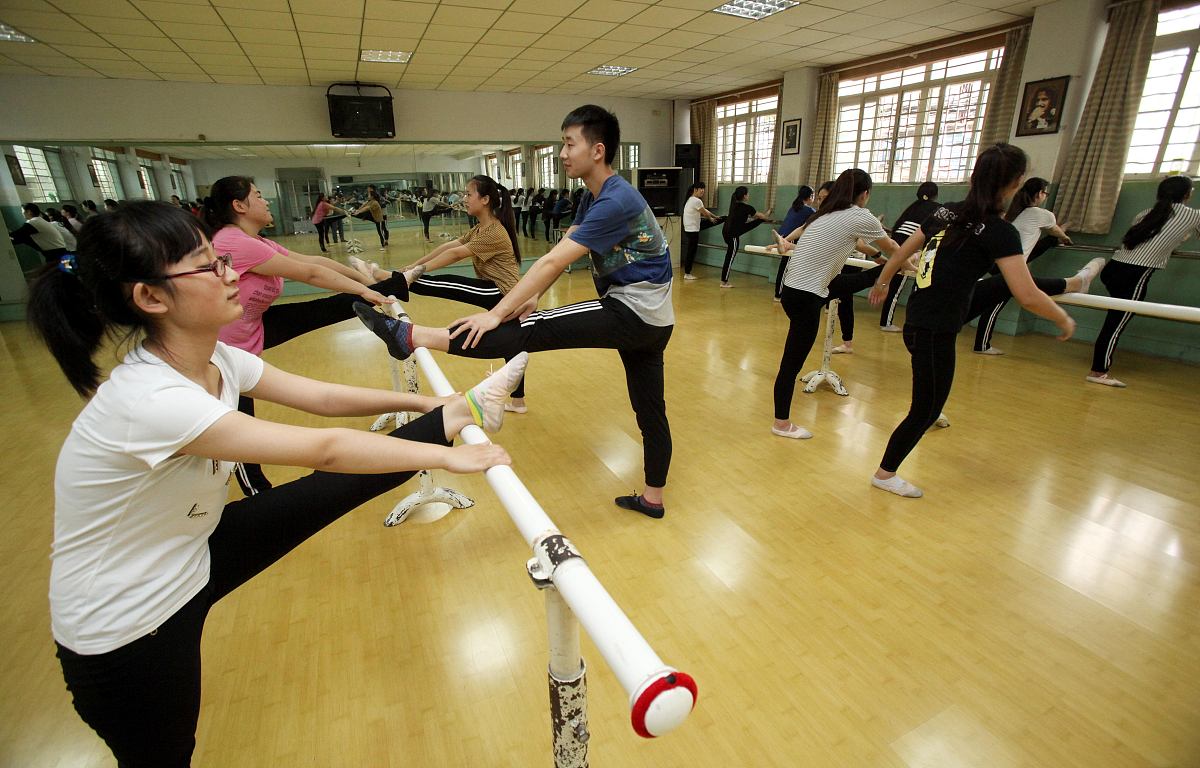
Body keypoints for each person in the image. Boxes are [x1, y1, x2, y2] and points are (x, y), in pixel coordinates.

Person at [26, 200, 519, 768]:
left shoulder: (216, 361)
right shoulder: (151, 401)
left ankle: (462, 413)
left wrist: (428, 401)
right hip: (128, 623)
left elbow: (323, 398)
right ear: (152, 297)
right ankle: (456, 422)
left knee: (327, 492)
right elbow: (324, 446)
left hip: (186, 551)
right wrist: (449, 458)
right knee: (163, 756)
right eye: (209, 266)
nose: (233, 273)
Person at [356, 105, 676, 519]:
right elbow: (565, 253)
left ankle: (412, 337)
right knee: (650, 409)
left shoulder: (617, 199)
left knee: (526, 326)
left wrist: (498, 311)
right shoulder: (591, 197)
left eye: (568, 143)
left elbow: (550, 263)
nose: (562, 153)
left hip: (632, 312)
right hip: (655, 320)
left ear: (597, 150)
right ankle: (653, 499)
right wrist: (534, 295)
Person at [867, 144, 1077, 498]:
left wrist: (884, 280)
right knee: (927, 409)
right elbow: (1026, 295)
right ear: (1015, 184)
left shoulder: (945, 212)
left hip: (921, 316)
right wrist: (1062, 317)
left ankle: (1075, 282)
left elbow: (904, 250)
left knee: (994, 286)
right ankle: (885, 474)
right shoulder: (999, 231)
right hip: (933, 330)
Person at [204, 176, 409, 496]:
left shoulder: (256, 240)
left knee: (323, 309)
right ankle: (259, 496)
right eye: (259, 196)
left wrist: (365, 282)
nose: (266, 200)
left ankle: (390, 293)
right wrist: (362, 288)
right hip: (223, 348)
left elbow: (311, 261)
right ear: (240, 205)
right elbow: (310, 274)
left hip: (254, 326)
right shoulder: (234, 241)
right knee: (239, 426)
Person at [355, 174, 531, 413]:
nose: (464, 199)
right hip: (504, 294)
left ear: (485, 199)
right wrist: (414, 265)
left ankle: (389, 278)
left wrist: (415, 273)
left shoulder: (493, 232)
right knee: (512, 345)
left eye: (469, 194)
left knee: (449, 284)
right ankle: (518, 401)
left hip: (501, 293)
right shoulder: (481, 228)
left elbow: (457, 255)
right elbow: (448, 247)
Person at [769, 169, 899, 440]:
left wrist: (883, 262)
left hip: (794, 290)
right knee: (791, 364)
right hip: (807, 295)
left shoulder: (824, 213)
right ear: (864, 194)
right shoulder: (860, 215)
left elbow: (862, 244)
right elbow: (893, 247)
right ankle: (781, 424)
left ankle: (882, 275)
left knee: (844, 285)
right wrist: (909, 264)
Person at [1088, 175, 1200, 387]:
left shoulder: (1145, 214)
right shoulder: (1192, 215)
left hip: (1113, 269)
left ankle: (1088, 273)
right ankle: (1098, 371)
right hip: (1134, 275)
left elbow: (1153, 238)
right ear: (1186, 195)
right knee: (1116, 324)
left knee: (1114, 319)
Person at [973, 177, 1074, 355]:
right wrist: (1065, 237)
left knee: (994, 302)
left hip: (999, 262)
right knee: (995, 304)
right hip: (1007, 265)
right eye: (1045, 192)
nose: (1046, 196)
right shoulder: (1041, 214)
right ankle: (982, 345)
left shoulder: (1014, 213)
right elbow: (1055, 230)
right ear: (1039, 194)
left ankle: (982, 344)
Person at [878, 182, 940, 332]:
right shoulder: (937, 208)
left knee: (892, 282)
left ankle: (887, 320)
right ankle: (886, 323)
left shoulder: (913, 206)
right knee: (897, 286)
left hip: (896, 245)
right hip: (907, 249)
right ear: (935, 194)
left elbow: (897, 229)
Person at [720, 186, 771, 288]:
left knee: (755, 222)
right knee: (730, 258)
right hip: (732, 235)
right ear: (744, 196)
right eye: (748, 194)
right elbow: (762, 216)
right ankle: (724, 282)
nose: (749, 195)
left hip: (726, 232)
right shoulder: (747, 208)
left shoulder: (734, 205)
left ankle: (724, 280)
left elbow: (742, 220)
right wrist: (769, 211)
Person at [773, 185, 817, 298]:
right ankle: (778, 294)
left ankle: (786, 291)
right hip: (789, 237)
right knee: (785, 266)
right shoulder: (809, 210)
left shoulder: (794, 207)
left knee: (788, 266)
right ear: (811, 196)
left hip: (784, 235)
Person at [680, 181, 723, 281]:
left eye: (704, 189)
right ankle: (687, 273)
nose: (703, 191)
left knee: (691, 251)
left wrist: (715, 216)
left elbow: (705, 211)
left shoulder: (691, 199)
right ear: (695, 190)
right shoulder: (696, 201)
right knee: (691, 251)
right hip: (692, 230)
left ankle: (723, 218)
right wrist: (711, 219)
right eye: (701, 189)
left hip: (691, 228)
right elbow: (704, 213)